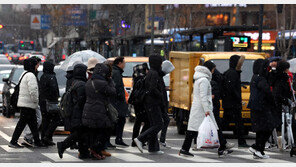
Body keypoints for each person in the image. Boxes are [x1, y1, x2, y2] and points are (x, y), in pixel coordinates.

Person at [178, 65, 218, 157]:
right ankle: (222, 147)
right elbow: (203, 96)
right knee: (212, 127)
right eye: (213, 69)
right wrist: (207, 109)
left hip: (198, 107)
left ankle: (184, 149)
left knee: (193, 129)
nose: (214, 71)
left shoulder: (198, 79)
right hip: (202, 108)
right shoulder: (204, 80)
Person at [9, 58, 46, 148]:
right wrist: (35, 101)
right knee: (22, 123)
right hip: (28, 104)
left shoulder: (24, 74)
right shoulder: (31, 76)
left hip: (26, 103)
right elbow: (33, 90)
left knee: (32, 123)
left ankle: (37, 141)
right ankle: (13, 141)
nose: (37, 66)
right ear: (32, 65)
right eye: (36, 65)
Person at [82, 63, 116, 160]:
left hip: (88, 109)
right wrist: (110, 80)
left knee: (94, 132)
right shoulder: (102, 83)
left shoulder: (89, 82)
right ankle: (95, 149)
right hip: (99, 110)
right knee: (107, 129)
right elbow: (113, 92)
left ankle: (95, 152)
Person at [134, 54, 165, 155]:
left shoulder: (152, 72)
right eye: (160, 62)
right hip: (153, 102)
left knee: (153, 124)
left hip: (149, 102)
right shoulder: (154, 73)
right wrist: (160, 95)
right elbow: (152, 88)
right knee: (158, 124)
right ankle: (140, 139)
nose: (161, 64)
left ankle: (153, 148)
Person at [248, 59, 279, 159]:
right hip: (262, 107)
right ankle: (258, 148)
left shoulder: (255, 76)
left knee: (260, 129)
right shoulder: (261, 78)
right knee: (269, 127)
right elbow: (267, 91)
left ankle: (258, 149)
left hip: (256, 106)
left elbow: (271, 79)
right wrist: (273, 101)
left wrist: (273, 69)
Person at [57, 64, 89, 159]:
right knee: (79, 132)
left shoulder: (75, 82)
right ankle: (63, 145)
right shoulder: (81, 84)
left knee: (81, 133)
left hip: (74, 112)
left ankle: (83, 152)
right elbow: (81, 100)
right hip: (79, 113)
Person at [203, 61, 235, 156]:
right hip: (210, 107)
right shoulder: (207, 80)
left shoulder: (209, 78)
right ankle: (222, 145)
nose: (214, 71)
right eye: (213, 69)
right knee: (215, 127)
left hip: (211, 106)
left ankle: (222, 146)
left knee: (216, 127)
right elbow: (205, 95)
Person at [222, 55, 249, 147]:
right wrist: (238, 99)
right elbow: (232, 89)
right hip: (233, 103)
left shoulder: (230, 72)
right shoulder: (233, 74)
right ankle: (241, 142)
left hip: (229, 103)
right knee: (238, 123)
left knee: (226, 123)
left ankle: (221, 140)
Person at [272, 60, 296, 157]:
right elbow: (277, 94)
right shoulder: (279, 79)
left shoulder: (286, 78)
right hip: (280, 105)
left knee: (291, 125)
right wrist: (287, 100)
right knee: (284, 125)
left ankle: (291, 144)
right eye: (287, 68)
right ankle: (283, 142)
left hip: (285, 104)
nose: (288, 70)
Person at [40, 61, 60, 146]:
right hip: (51, 102)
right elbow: (54, 89)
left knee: (45, 120)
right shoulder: (51, 77)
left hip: (43, 102)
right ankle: (47, 136)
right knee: (57, 119)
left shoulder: (43, 76)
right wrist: (55, 97)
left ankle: (44, 137)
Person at [130, 63, 150, 147]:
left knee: (138, 121)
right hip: (142, 103)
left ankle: (134, 140)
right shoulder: (143, 79)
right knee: (148, 122)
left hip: (136, 102)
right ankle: (140, 138)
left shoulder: (135, 78)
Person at [111, 56, 129, 147]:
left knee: (118, 120)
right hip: (117, 102)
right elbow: (117, 87)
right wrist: (121, 97)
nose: (124, 65)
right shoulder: (116, 73)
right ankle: (118, 138)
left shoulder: (116, 72)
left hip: (116, 101)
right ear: (119, 63)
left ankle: (118, 138)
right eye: (123, 63)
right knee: (120, 120)